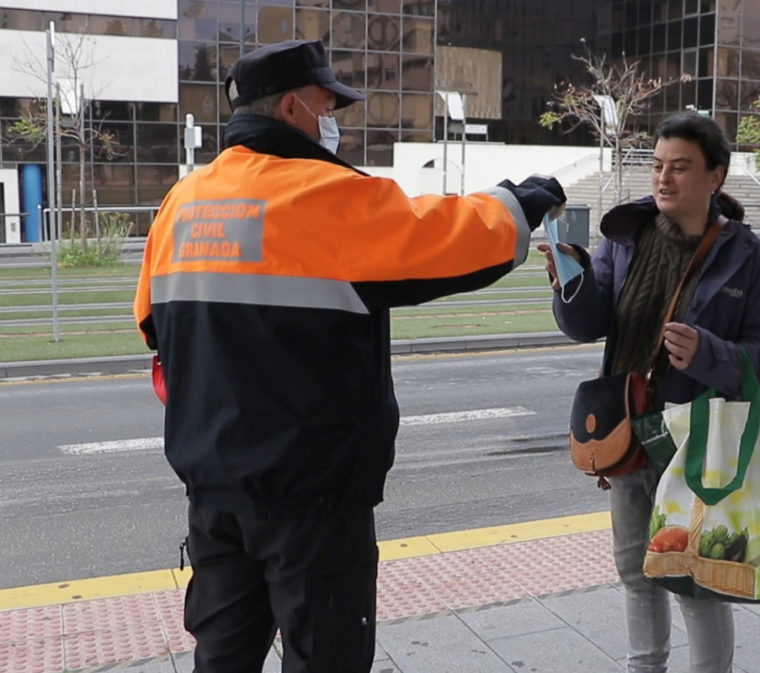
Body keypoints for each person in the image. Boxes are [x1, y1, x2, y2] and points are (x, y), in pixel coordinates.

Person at [133, 39, 565, 673]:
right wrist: (522, 200)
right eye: (327, 103)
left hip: (213, 492)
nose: (334, 117)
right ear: (290, 107)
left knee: (222, 657)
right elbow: (446, 238)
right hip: (311, 498)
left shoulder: (183, 202)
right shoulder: (321, 194)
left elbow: (151, 325)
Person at [538, 112, 760, 673]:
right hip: (630, 432)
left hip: (702, 441)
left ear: (715, 176)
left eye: (680, 167)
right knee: (637, 573)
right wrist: (571, 282)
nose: (663, 178)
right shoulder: (625, 239)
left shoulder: (748, 256)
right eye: (656, 165)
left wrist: (708, 353)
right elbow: (587, 325)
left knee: (693, 577)